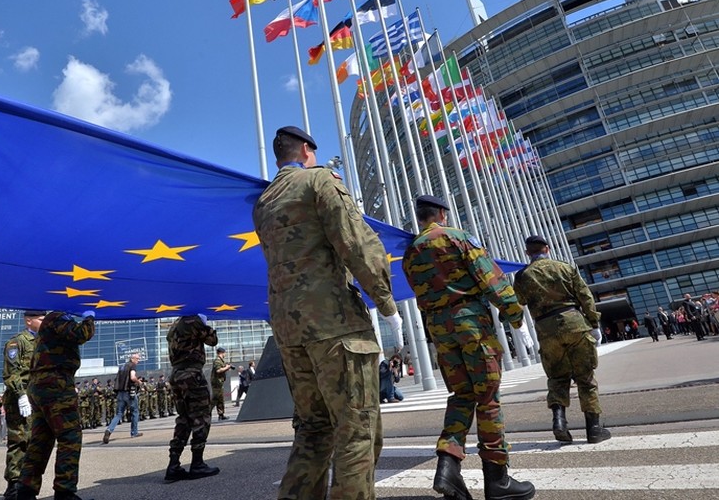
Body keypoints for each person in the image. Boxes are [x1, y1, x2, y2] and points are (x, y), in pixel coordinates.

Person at [252, 126, 404, 500]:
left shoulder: (263, 202)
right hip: (336, 326)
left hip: (290, 333)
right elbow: (356, 242)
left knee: (313, 430)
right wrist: (387, 305)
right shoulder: (320, 181)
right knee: (356, 430)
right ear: (307, 149)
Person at [403, 195, 534, 500]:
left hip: (439, 330)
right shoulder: (457, 237)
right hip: (471, 323)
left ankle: (447, 467)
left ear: (421, 218)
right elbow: (491, 279)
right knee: (487, 398)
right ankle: (498, 479)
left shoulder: (411, 252)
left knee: (461, 396)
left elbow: (420, 293)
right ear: (442, 214)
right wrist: (515, 315)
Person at [514, 234, 610, 448]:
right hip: (574, 324)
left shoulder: (522, 276)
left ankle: (559, 421)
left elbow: (515, 304)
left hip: (546, 330)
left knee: (557, 378)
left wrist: (517, 326)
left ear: (527, 253)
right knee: (585, 378)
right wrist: (594, 324)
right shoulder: (565, 267)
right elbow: (585, 297)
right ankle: (594, 429)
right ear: (547, 248)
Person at [15, 310, 95, 500]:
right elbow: (81, 334)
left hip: (42, 385)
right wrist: (90, 317)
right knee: (69, 436)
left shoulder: (52, 321)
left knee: (41, 441)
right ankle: (64, 491)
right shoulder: (57, 317)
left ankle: (26, 490)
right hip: (55, 384)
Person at [164, 314, 221, 481]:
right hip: (191, 374)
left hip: (176, 374)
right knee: (201, 416)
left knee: (184, 419)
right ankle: (197, 463)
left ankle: (173, 464)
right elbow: (213, 340)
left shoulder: (174, 325)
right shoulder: (192, 320)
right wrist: (205, 324)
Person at [1, 310, 45, 499]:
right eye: (41, 319)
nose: (44, 322)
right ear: (29, 321)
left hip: (38, 398)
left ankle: (27, 487)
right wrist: (21, 395)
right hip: (20, 400)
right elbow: (11, 373)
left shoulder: (44, 341)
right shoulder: (17, 342)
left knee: (36, 443)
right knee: (20, 441)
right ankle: (14, 486)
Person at [102, 352, 143, 442]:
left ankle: (109, 430)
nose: (138, 361)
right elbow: (132, 377)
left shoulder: (122, 367)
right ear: (132, 359)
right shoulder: (132, 365)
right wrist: (138, 382)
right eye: (137, 359)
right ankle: (134, 432)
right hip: (129, 393)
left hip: (120, 393)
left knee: (119, 414)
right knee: (135, 412)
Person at [210, 347, 233, 420]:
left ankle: (221, 414)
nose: (225, 354)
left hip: (220, 382)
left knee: (220, 398)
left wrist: (227, 367)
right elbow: (218, 370)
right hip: (217, 382)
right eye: (224, 353)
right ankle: (206, 413)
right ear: (221, 353)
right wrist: (227, 367)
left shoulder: (221, 361)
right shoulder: (217, 361)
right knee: (215, 398)